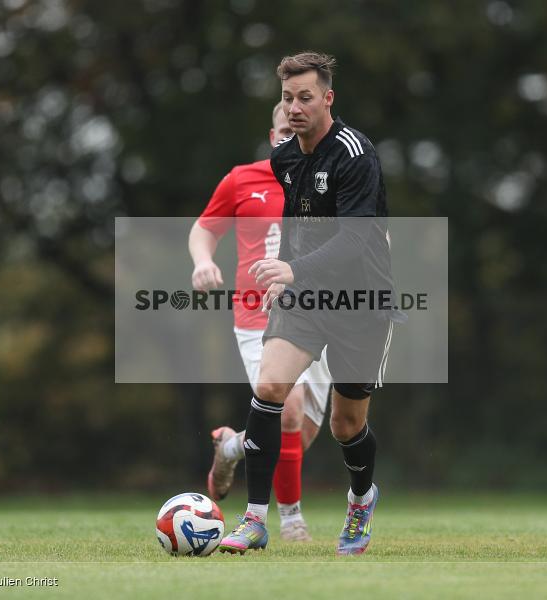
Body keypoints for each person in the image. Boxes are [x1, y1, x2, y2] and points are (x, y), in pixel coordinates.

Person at [218, 52, 395, 556]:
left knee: (346, 425)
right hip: (306, 298)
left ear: (328, 99)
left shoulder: (356, 154)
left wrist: (294, 269)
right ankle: (254, 520)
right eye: (287, 98)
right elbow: (300, 230)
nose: (294, 107)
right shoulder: (285, 158)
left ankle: (361, 500)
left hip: (362, 303)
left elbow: (356, 240)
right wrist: (286, 277)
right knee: (270, 386)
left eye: (305, 98)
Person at [188, 102, 332, 542]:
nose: (293, 138)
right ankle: (290, 521)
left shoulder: (332, 178)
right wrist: (202, 262)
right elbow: (204, 228)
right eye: (285, 132)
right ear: (274, 138)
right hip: (258, 316)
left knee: (297, 437)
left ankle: (232, 446)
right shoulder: (242, 179)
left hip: (322, 315)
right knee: (285, 410)